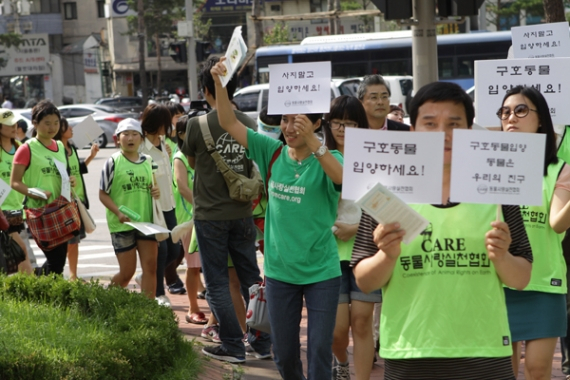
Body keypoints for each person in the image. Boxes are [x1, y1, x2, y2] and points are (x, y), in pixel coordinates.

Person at [352, 81, 533, 380]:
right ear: (413, 132)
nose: (442, 134)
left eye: (453, 124)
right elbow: (365, 281)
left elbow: (522, 277)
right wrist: (387, 256)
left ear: (468, 130)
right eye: (430, 123)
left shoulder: (497, 191)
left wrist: (502, 257)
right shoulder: (387, 194)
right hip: (410, 353)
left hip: (485, 353)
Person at [210, 57, 343, 378]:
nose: (288, 127)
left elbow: (342, 179)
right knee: (284, 355)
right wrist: (220, 83)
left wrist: (314, 142)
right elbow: (229, 123)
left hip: (322, 272)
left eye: (297, 121)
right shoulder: (270, 152)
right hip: (280, 273)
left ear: (314, 123)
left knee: (320, 351)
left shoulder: (330, 158)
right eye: (284, 120)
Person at [181, 57, 270, 364]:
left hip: (210, 217)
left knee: (217, 282)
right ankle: (263, 341)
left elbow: (192, 164)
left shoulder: (196, 125)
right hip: (243, 213)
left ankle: (232, 344)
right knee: (251, 279)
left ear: (208, 90)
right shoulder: (246, 122)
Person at [499, 85, 570, 380]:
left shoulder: (559, 169)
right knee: (504, 369)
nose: (511, 118)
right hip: (499, 280)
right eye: (505, 112)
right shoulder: (488, 166)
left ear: (540, 119)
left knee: (538, 370)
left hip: (544, 282)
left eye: (520, 110)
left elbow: (557, 223)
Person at [322, 95, 380, 380]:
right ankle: (341, 361)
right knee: (337, 329)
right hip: (329, 254)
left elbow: (386, 207)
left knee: (362, 324)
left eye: (350, 123)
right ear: (328, 124)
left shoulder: (373, 159)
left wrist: (356, 228)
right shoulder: (319, 157)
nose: (342, 128)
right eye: (337, 122)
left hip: (366, 252)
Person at [11, 100, 76, 275]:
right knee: (56, 261)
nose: (52, 127)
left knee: (58, 261)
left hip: (61, 210)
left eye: (56, 123)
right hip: (40, 213)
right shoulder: (26, 148)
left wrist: (70, 180)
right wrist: (34, 192)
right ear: (35, 123)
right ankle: (43, 288)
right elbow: (14, 182)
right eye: (47, 123)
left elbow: (62, 173)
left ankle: (39, 283)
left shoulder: (60, 146)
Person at [99, 118, 160, 299]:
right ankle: (105, 300)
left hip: (146, 223)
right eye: (126, 134)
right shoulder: (112, 162)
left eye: (135, 134)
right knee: (127, 273)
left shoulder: (148, 161)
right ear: (117, 138)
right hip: (122, 225)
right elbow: (103, 194)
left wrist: (155, 191)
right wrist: (118, 212)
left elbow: (154, 188)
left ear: (141, 138)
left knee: (150, 267)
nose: (130, 138)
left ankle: (147, 310)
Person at [138, 103, 180, 307]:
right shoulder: (140, 146)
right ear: (157, 124)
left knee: (174, 249)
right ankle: (158, 293)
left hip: (169, 204)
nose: (169, 126)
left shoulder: (164, 143)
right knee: (161, 251)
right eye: (166, 122)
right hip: (153, 206)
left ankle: (145, 278)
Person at [54, 118, 99, 281]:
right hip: (65, 202)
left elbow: (78, 170)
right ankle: (59, 272)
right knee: (67, 242)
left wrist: (91, 156)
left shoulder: (71, 148)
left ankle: (73, 275)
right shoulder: (57, 150)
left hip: (78, 200)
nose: (72, 129)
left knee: (75, 241)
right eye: (68, 127)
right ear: (60, 130)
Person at [173, 114, 205, 324]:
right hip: (191, 219)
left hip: (208, 216)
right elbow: (182, 186)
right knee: (193, 266)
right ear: (182, 134)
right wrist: (202, 207)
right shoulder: (180, 157)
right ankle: (192, 308)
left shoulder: (204, 154)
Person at [0, 109, 33, 274]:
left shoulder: (21, 148)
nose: (15, 127)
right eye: (9, 124)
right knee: (22, 252)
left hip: (19, 212)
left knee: (13, 259)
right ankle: (34, 293)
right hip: (2, 213)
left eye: (15, 123)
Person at [164, 101, 187, 295]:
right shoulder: (163, 142)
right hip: (175, 199)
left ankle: (169, 276)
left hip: (184, 198)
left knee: (182, 242)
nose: (179, 119)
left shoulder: (181, 140)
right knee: (178, 241)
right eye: (176, 116)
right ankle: (170, 278)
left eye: (182, 116)